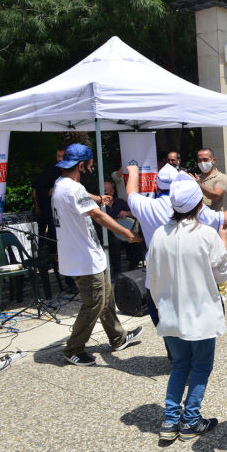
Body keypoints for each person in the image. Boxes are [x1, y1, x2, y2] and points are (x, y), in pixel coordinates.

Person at [147, 173, 227, 442]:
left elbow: (151, 276)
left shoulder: (158, 235)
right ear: (200, 205)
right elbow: (222, 274)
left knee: (179, 366)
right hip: (202, 312)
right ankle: (191, 420)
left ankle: (170, 420)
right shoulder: (207, 234)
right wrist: (223, 242)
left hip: (170, 311)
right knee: (200, 367)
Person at [51, 144, 143, 366]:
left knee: (106, 298)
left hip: (90, 255)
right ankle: (73, 348)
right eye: (90, 165)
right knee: (94, 303)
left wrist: (100, 198)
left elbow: (83, 196)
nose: (91, 168)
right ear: (82, 165)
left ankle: (117, 337)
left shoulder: (61, 185)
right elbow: (98, 217)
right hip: (84, 259)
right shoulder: (74, 190)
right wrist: (127, 234)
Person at [102, 180, 144, 279]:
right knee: (114, 243)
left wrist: (126, 213)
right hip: (110, 234)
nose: (104, 195)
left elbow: (135, 213)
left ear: (112, 192)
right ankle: (117, 273)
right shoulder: (100, 207)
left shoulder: (120, 202)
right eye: (102, 193)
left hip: (125, 232)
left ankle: (132, 269)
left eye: (106, 193)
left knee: (137, 241)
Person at [32, 146, 66, 256]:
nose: (59, 159)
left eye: (62, 156)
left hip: (67, 210)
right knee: (52, 231)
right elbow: (39, 191)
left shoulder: (72, 171)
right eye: (58, 156)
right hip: (51, 210)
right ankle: (53, 255)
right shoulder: (50, 171)